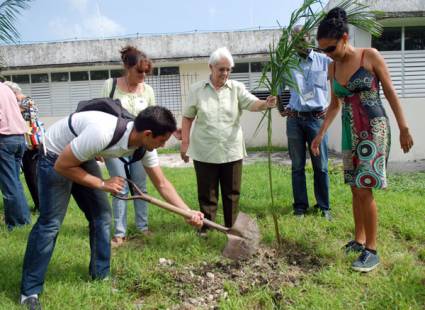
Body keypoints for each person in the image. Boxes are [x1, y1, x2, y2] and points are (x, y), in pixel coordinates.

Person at [20, 106, 204, 309]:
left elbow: (162, 184)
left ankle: (100, 276)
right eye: (161, 141)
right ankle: (30, 292)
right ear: (148, 134)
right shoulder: (102, 133)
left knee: (102, 217)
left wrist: (187, 212)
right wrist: (101, 183)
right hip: (55, 155)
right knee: (50, 224)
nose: (162, 145)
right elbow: (62, 166)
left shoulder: (144, 145)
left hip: (81, 154)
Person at [311, 7, 414, 272]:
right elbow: (334, 105)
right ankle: (358, 240)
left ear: (345, 37)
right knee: (353, 188)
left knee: (363, 187)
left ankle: (372, 250)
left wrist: (403, 128)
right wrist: (320, 134)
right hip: (349, 130)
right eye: (322, 50)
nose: (327, 54)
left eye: (331, 48)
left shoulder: (370, 56)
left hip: (373, 128)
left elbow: (390, 92)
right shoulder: (332, 68)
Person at [180, 47, 276, 235]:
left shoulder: (237, 88)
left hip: (231, 150)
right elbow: (187, 117)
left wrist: (265, 104)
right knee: (207, 193)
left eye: (228, 69)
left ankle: (232, 228)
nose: (224, 73)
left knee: (232, 193)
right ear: (211, 67)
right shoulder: (197, 90)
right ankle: (206, 228)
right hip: (204, 150)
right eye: (221, 69)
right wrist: (185, 143)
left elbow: (252, 103)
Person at [101, 45, 156, 247]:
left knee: (140, 187)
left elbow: (153, 119)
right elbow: (101, 116)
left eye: (145, 72)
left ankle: (142, 228)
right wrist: (100, 149)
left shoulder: (148, 90)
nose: (143, 75)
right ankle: (120, 233)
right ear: (126, 66)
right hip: (114, 147)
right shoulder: (110, 85)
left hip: (139, 148)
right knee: (120, 187)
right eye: (138, 71)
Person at [280, 25, 332, 220]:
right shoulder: (287, 64)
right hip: (294, 120)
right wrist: (280, 107)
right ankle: (300, 207)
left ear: (310, 38)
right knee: (297, 165)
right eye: (295, 38)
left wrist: (334, 101)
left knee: (321, 166)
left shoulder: (325, 60)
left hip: (317, 120)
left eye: (303, 37)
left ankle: (324, 207)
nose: (299, 41)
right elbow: (279, 87)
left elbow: (337, 79)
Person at [4, 81, 44, 211]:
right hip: (26, 141)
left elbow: (14, 113)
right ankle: (38, 205)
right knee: (29, 175)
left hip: (31, 143)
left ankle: (41, 206)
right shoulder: (23, 101)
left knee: (32, 175)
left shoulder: (26, 101)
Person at [0, 82, 32, 230]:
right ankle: (23, 219)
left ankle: (16, 223)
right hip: (19, 137)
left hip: (5, 139)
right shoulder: (6, 88)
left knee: (9, 185)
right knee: (15, 182)